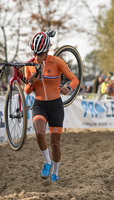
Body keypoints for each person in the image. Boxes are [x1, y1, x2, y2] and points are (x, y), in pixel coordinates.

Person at [24, 31, 79, 182]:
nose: (37, 56)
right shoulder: (29, 65)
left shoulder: (57, 62)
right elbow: (27, 91)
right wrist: (31, 81)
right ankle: (47, 162)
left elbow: (74, 79)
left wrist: (68, 88)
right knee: (39, 133)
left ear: (47, 51)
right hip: (39, 104)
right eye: (35, 53)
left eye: (40, 53)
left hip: (55, 106)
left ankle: (55, 172)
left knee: (55, 144)